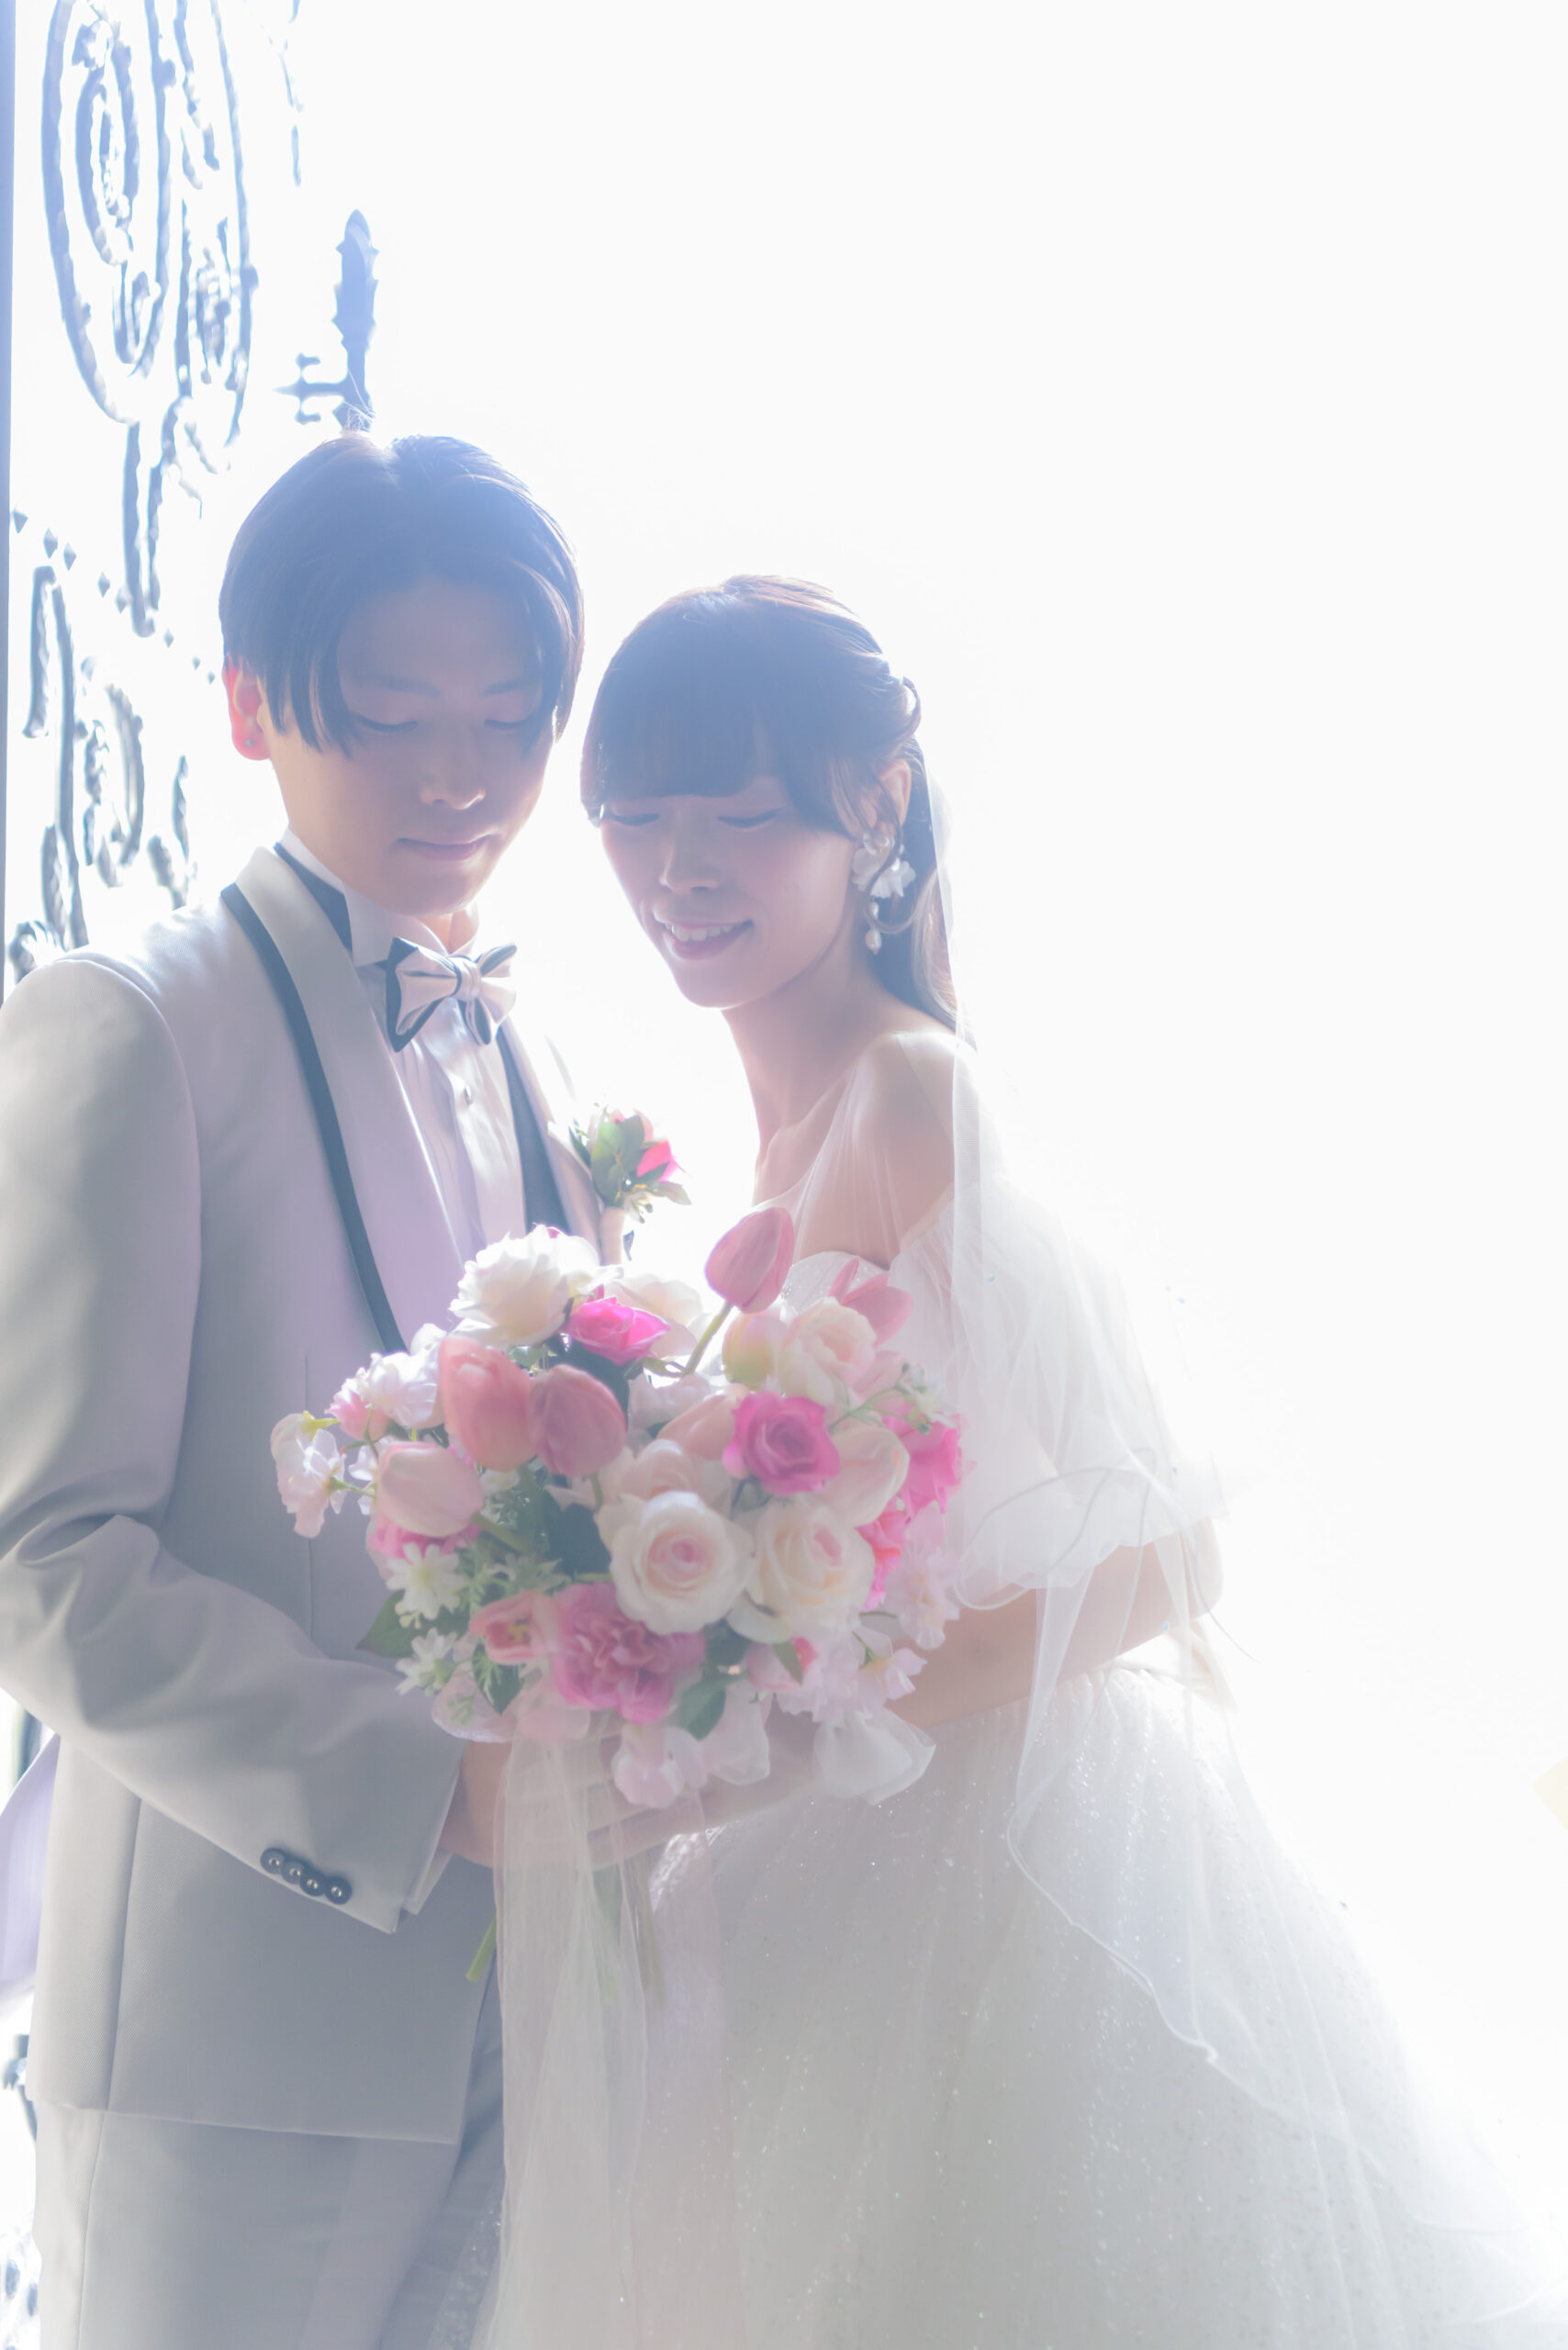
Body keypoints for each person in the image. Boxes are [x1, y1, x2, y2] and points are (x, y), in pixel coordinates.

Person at [465, 575, 1568, 2348]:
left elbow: (1170, 1550)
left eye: (740, 816)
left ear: (876, 805)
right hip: (820, 1853)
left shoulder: (912, 1098)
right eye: (637, 817)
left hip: (999, 1856)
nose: (679, 868)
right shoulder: (759, 1138)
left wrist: (809, 1737)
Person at [0, 432, 610, 2350]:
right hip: (237, 2036)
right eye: (395, 716)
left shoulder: (515, 1039)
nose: (458, 776)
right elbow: (43, 1553)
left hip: (529, 2010)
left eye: (506, 720)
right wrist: (428, 1791)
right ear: (255, 703)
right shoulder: (136, 1021)